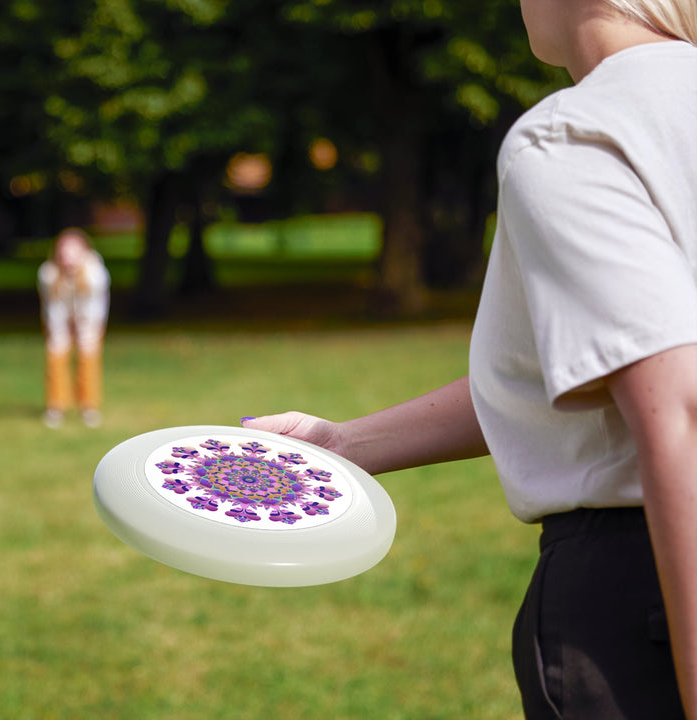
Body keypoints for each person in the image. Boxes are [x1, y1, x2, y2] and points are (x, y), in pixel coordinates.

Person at [241, 1, 697, 717]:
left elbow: (678, 408)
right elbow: (587, 370)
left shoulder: (577, 135)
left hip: (646, 594)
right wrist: (344, 443)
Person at [37, 227, 110, 428]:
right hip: (59, 319)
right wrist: (61, 329)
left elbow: (95, 306)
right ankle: (56, 406)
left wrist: (83, 327)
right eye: (64, 251)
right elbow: (53, 306)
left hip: (89, 319)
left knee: (88, 357)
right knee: (56, 354)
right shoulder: (48, 273)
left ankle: (89, 406)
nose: (68, 257)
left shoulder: (95, 273)